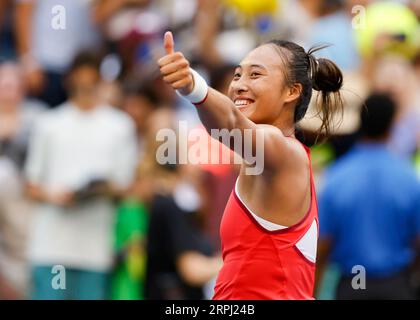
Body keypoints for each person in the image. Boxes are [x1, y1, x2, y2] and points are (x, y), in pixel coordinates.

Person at [158, 31, 343, 299]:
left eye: (255, 75)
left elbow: (232, 123)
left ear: (292, 91)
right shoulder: (268, 157)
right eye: (237, 75)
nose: (239, 86)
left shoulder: (282, 148)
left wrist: (192, 87)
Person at [24, 52, 138, 300]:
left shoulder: (120, 126)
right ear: (70, 81)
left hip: (94, 249)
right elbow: (31, 184)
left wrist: (101, 188)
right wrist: (53, 194)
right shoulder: (49, 124)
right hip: (51, 247)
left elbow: (126, 186)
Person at [316, 93, 420, 300]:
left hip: (355, 280)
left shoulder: (337, 177)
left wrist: (314, 291)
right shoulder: (408, 178)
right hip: (396, 282)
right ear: (392, 125)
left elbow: (324, 243)